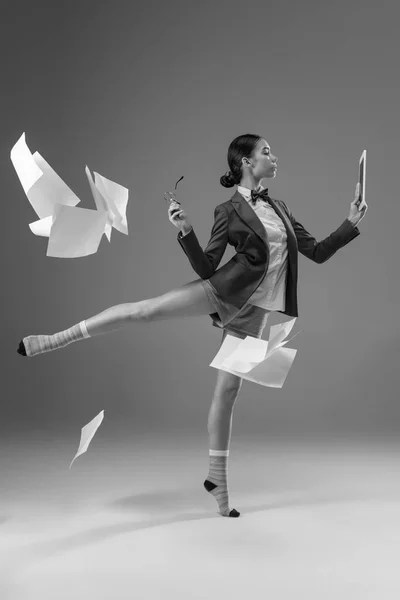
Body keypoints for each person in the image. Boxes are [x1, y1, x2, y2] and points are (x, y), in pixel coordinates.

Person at [16, 133, 368, 518]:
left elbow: (315, 252)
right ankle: (57, 338)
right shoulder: (228, 209)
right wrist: (185, 230)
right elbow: (207, 266)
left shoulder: (279, 207)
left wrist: (351, 222)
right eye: (266, 151)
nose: (274, 156)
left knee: (228, 394)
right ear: (246, 162)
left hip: (255, 312)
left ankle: (217, 479)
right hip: (223, 291)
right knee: (144, 311)